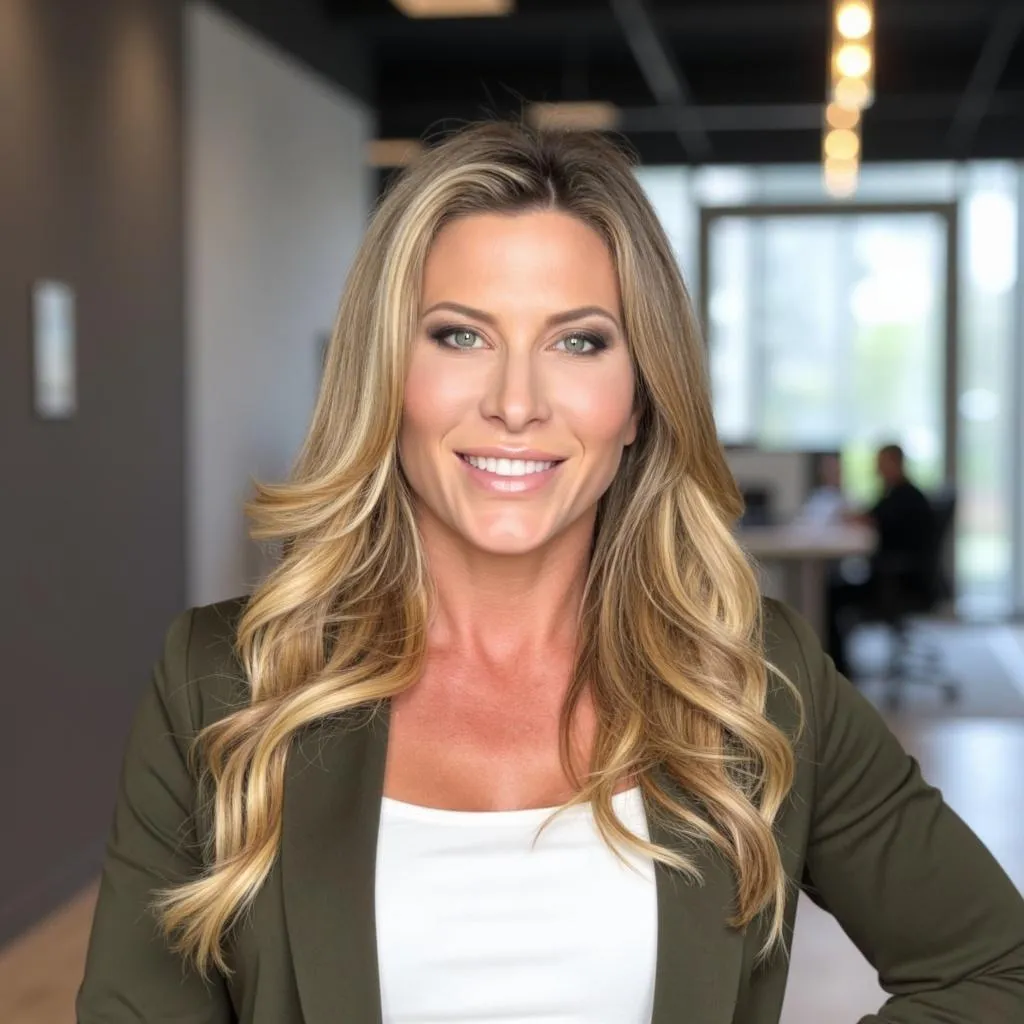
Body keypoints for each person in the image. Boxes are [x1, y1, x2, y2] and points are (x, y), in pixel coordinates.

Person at [77, 123, 1024, 1023]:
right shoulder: (223, 682)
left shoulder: (753, 682)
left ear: (640, 398)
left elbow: (996, 969)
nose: (517, 402)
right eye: (460, 335)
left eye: (578, 341)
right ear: (384, 375)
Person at [827, 444, 937, 679]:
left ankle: (838, 669)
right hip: (899, 578)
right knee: (833, 588)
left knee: (831, 594)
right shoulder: (896, 492)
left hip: (898, 583)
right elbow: (872, 515)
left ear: (896, 464)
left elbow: (872, 518)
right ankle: (837, 665)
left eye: (882, 464)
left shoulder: (905, 497)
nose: (877, 470)